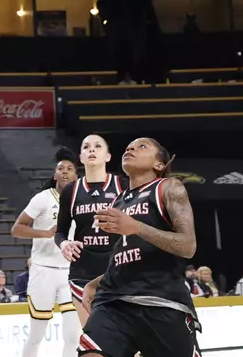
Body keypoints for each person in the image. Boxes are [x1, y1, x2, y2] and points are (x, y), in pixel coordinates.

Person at [80, 138, 200, 357]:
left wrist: (136, 227)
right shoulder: (118, 202)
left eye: (142, 146)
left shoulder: (169, 187)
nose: (130, 148)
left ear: (159, 164)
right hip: (113, 301)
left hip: (162, 301)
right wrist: (95, 283)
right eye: (128, 147)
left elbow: (188, 245)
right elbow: (126, 257)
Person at [11, 150, 79, 357]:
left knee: (73, 335)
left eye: (70, 169)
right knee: (36, 334)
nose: (65, 172)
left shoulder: (82, 201)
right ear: (54, 175)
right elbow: (17, 228)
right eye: (61, 169)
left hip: (70, 272)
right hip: (44, 270)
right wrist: (45, 233)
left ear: (77, 176)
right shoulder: (42, 198)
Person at [55, 134, 125, 326]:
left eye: (97, 146)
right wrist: (64, 243)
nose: (91, 150)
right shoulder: (71, 190)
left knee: (129, 343)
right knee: (94, 340)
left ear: (108, 156)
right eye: (86, 147)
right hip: (82, 271)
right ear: (81, 157)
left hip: (118, 269)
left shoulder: (122, 186)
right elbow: (60, 231)